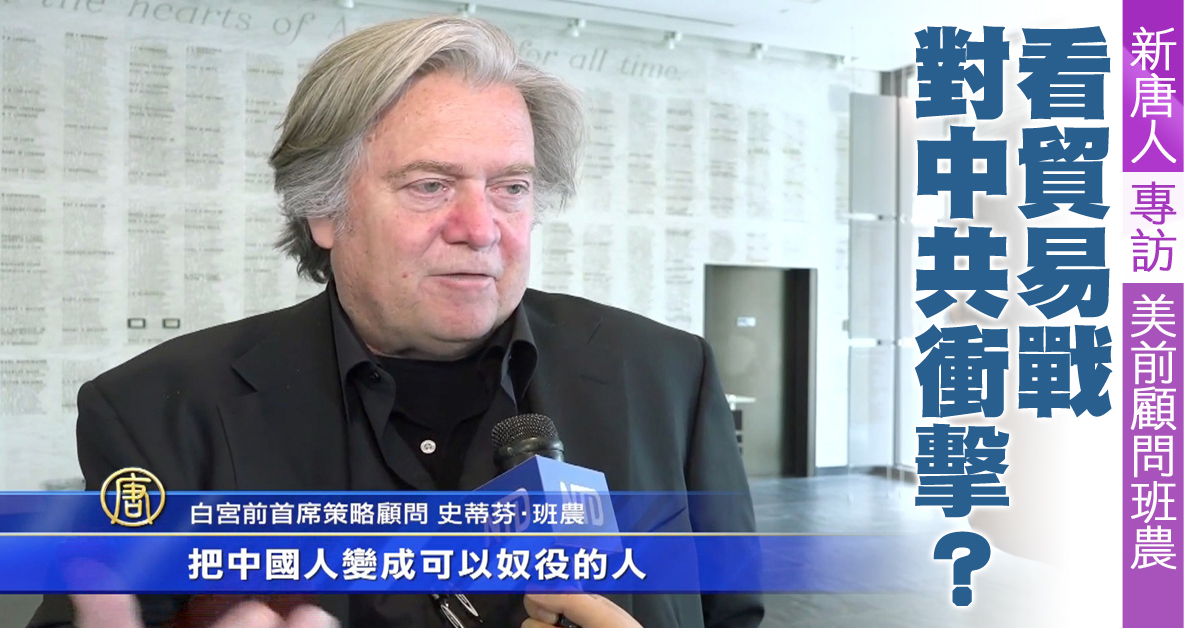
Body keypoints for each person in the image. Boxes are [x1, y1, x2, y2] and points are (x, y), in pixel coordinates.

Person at [28, 16, 763, 628]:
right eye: (430, 185)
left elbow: (732, 613)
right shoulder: (159, 411)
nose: (481, 228)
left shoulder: (667, 375)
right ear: (322, 209)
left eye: (511, 187)